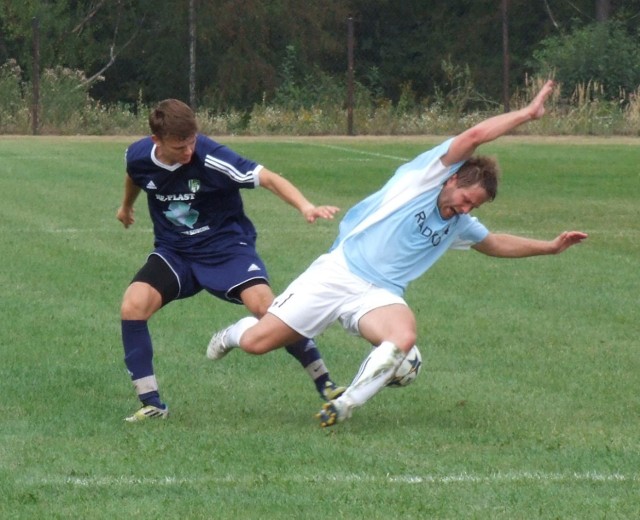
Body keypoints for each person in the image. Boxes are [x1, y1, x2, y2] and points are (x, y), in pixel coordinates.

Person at [206, 79, 588, 427]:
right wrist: (526, 114)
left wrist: (550, 248)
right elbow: (474, 136)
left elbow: (495, 243)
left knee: (404, 335)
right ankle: (233, 333)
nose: (467, 210)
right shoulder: (425, 177)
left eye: (475, 208)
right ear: (453, 179)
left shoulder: (459, 223)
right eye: (466, 200)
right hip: (338, 271)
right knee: (258, 343)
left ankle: (344, 403)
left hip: (379, 294)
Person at [117, 98, 344, 422]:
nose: (188, 152)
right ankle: (152, 403)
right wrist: (126, 207)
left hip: (226, 247)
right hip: (175, 251)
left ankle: (327, 385)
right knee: (133, 305)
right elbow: (135, 175)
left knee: (268, 309)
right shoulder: (138, 155)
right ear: (157, 142)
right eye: (180, 146)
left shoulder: (210, 156)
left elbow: (267, 177)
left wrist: (305, 206)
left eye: (192, 141)